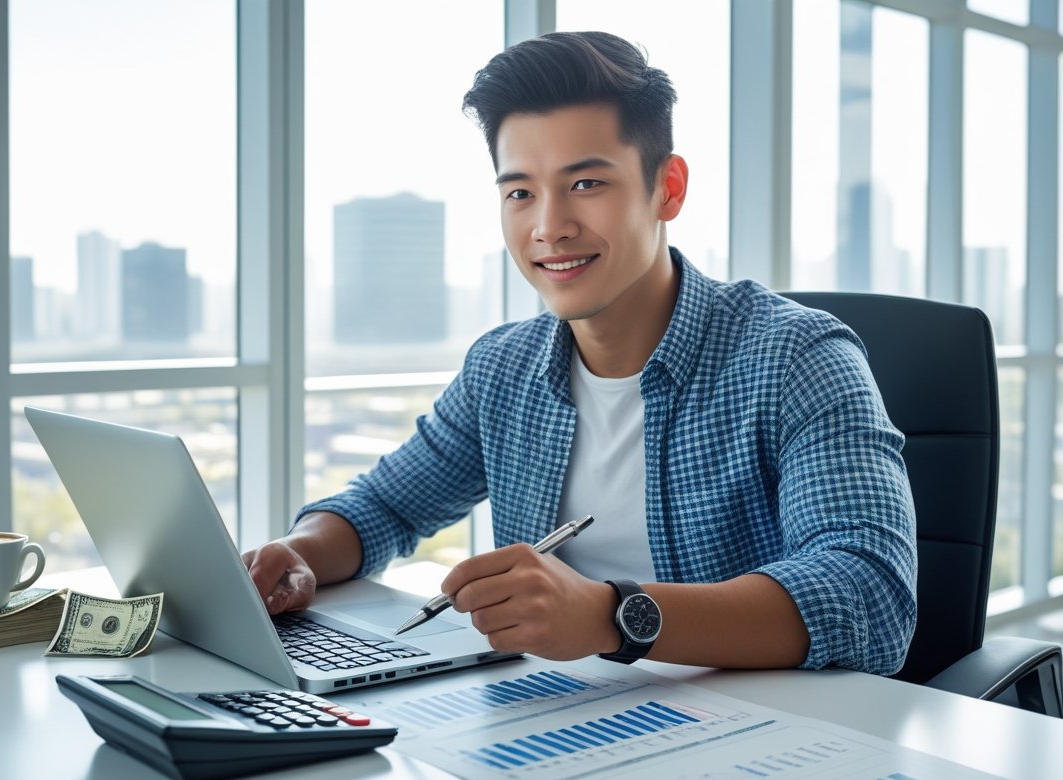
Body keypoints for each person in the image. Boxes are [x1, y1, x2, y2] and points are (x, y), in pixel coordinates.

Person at [242, 31, 916, 675]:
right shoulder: (503, 369)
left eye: (586, 184)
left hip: (762, 743)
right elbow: (385, 508)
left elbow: (870, 594)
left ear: (668, 188)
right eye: (520, 193)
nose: (549, 227)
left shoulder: (796, 356)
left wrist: (608, 615)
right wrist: (299, 556)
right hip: (559, 722)